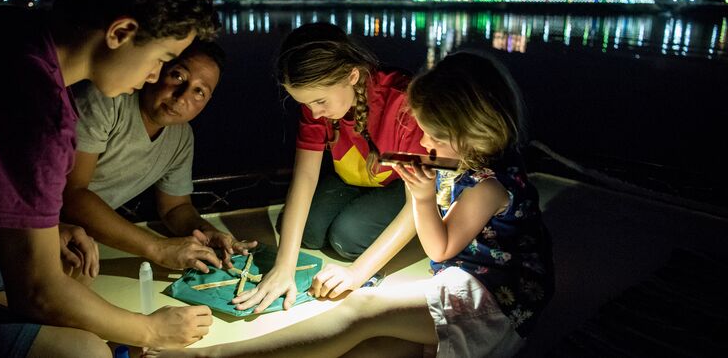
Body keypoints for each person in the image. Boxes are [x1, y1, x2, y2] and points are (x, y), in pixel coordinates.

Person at [146, 51, 554, 358]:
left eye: (433, 135)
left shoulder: (488, 185)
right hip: (465, 277)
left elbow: (439, 248)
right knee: (370, 345)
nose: (424, 144)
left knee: (359, 311)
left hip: (494, 300)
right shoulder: (466, 157)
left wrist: (422, 196)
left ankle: (213, 356)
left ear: (471, 129)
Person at [0, 0, 220, 357]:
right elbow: (39, 293)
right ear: (120, 32)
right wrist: (150, 331)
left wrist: (49, 231)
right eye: (160, 59)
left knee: (69, 265)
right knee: (87, 350)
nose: (156, 77)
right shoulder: (36, 108)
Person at [233, 23, 426, 313]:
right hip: (352, 178)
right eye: (305, 104)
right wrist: (285, 266)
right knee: (306, 231)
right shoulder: (316, 105)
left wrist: (356, 274)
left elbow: (418, 201)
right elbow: (306, 176)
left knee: (346, 237)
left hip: (403, 184)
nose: (314, 113)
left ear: (352, 75)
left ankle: (417, 239)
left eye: (319, 102)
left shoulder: (402, 101)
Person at [63, 40, 256, 272]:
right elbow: (72, 194)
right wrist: (158, 248)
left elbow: (174, 207)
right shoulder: (109, 101)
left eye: (199, 91)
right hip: (41, 227)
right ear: (156, 70)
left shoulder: (182, 137)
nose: (182, 96)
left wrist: (205, 231)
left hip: (86, 237)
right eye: (178, 76)